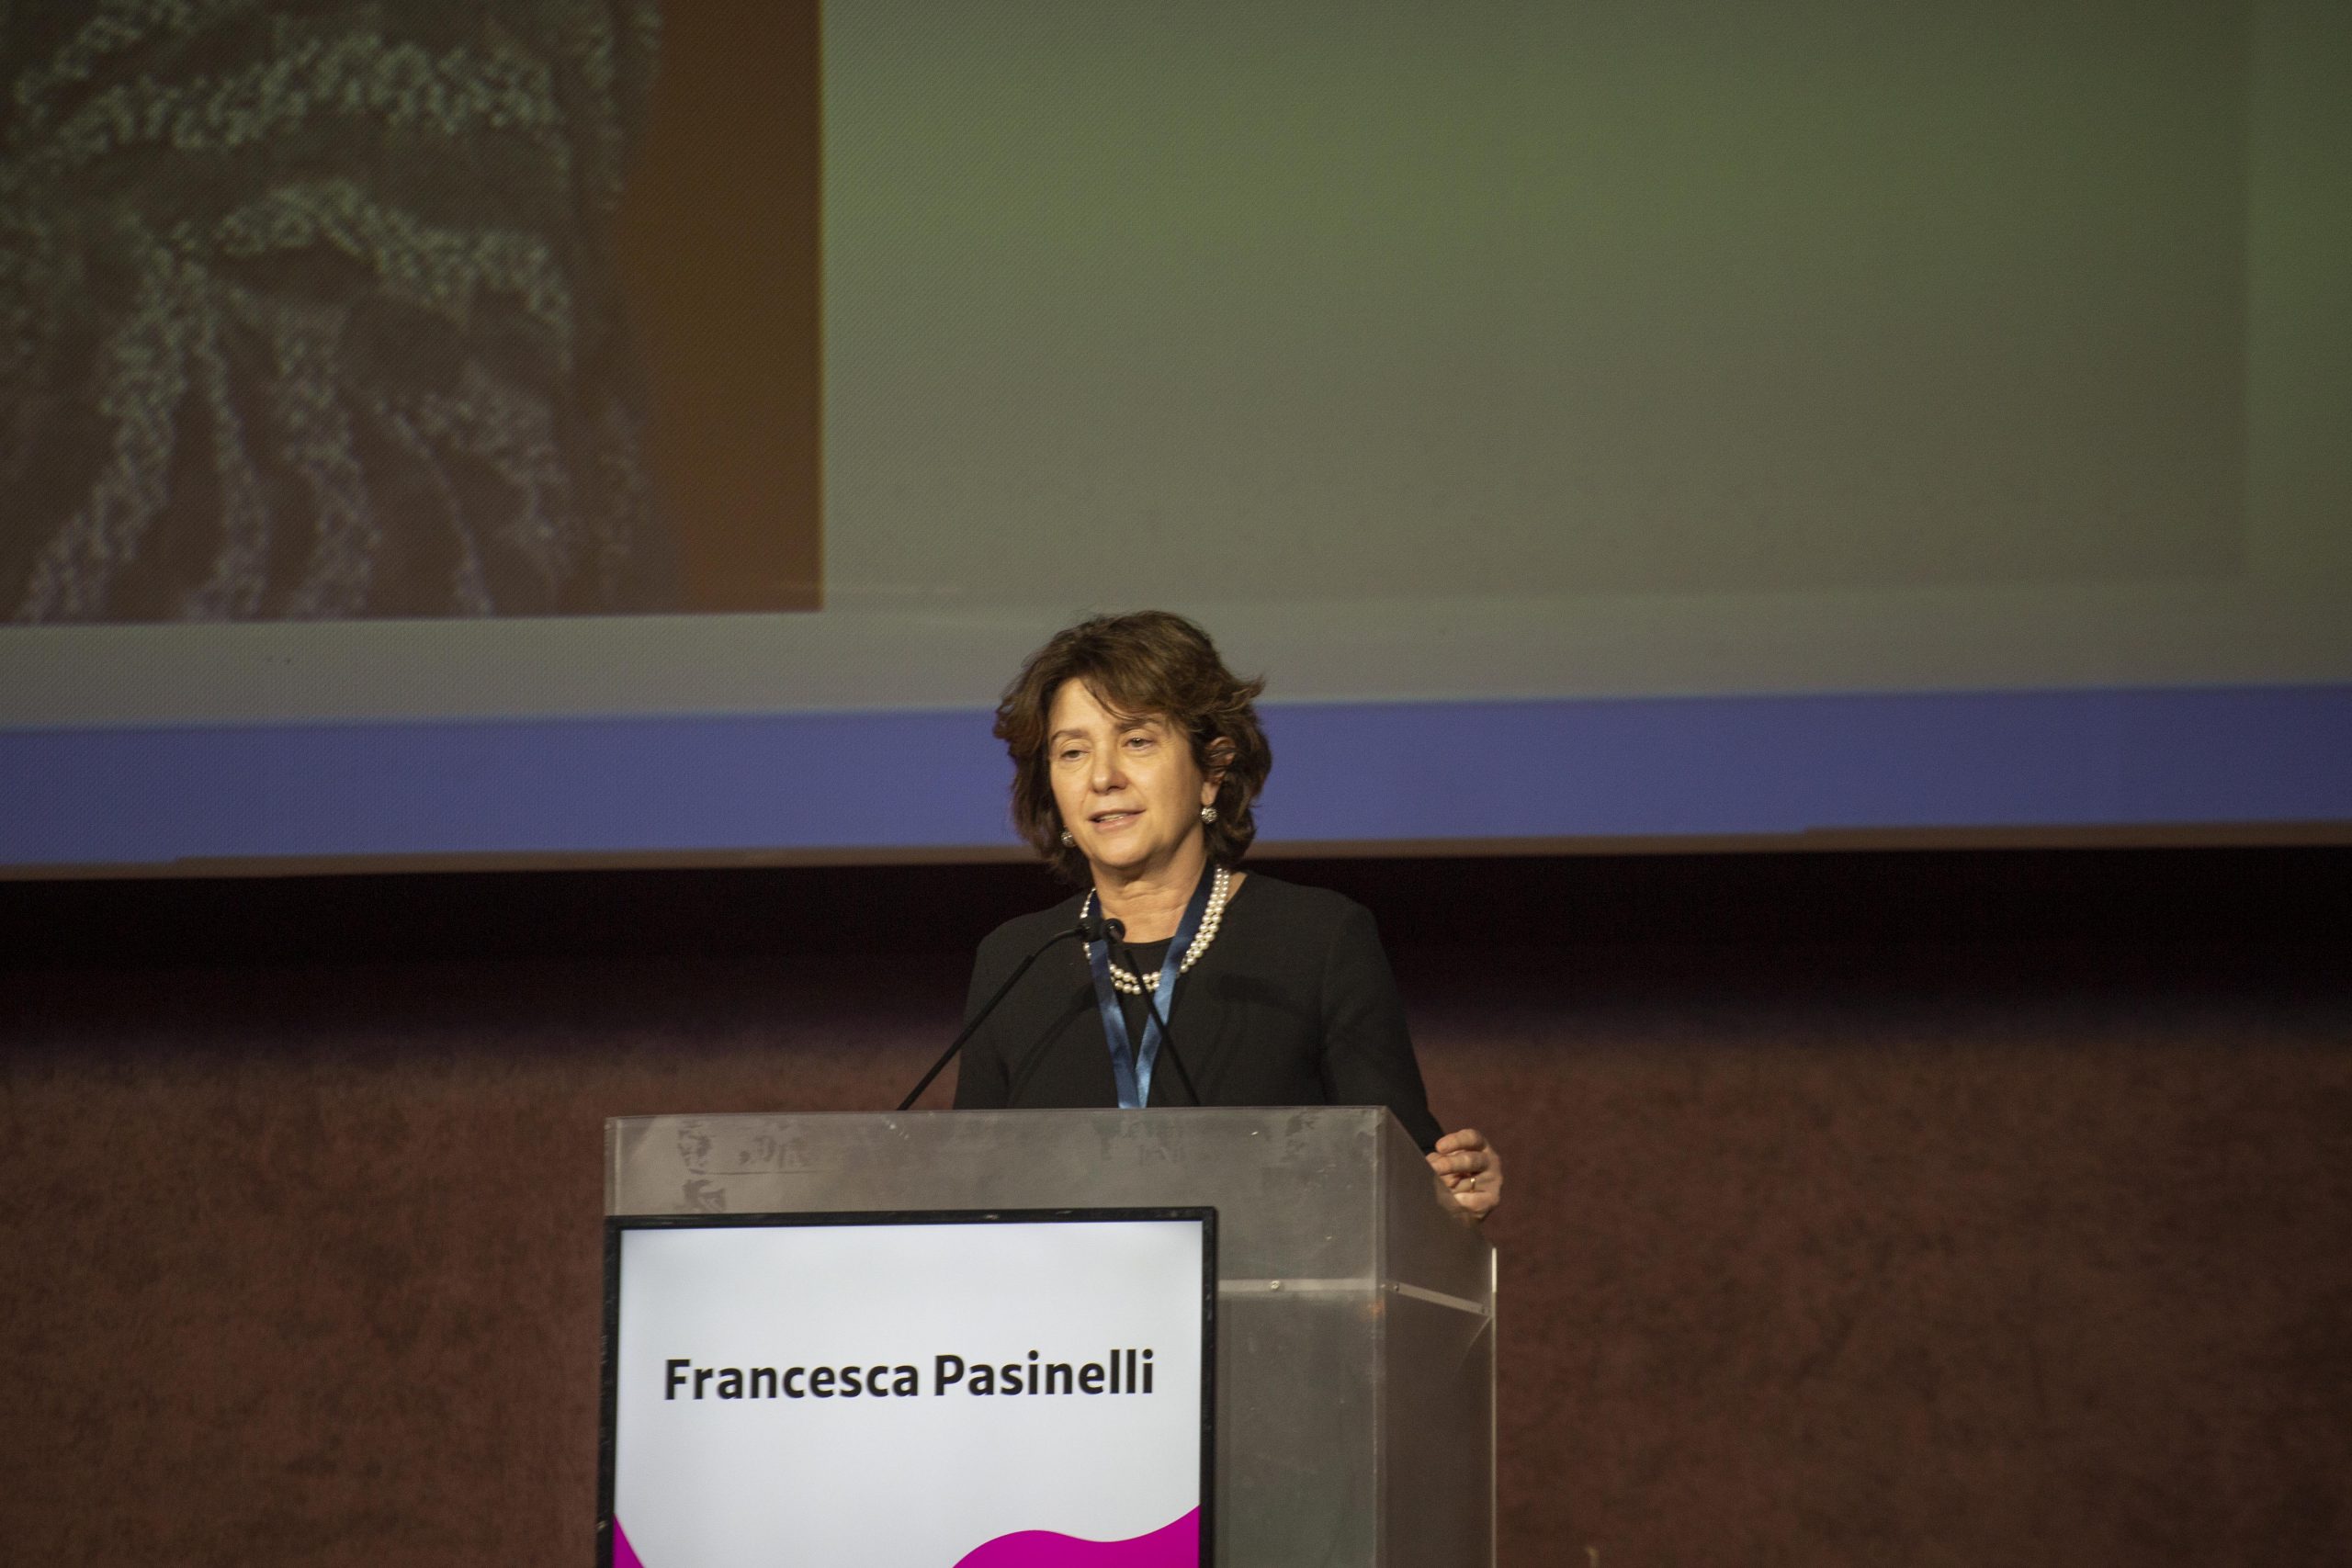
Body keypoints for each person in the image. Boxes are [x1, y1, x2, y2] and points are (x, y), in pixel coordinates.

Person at [952, 610, 1502, 1219]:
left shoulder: (1315, 939)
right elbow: (972, 1189)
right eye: (1073, 752)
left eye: (1137, 741)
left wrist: (1454, 1187)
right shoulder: (1016, 959)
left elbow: (1404, 1170)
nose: (1103, 777)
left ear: (1212, 772)